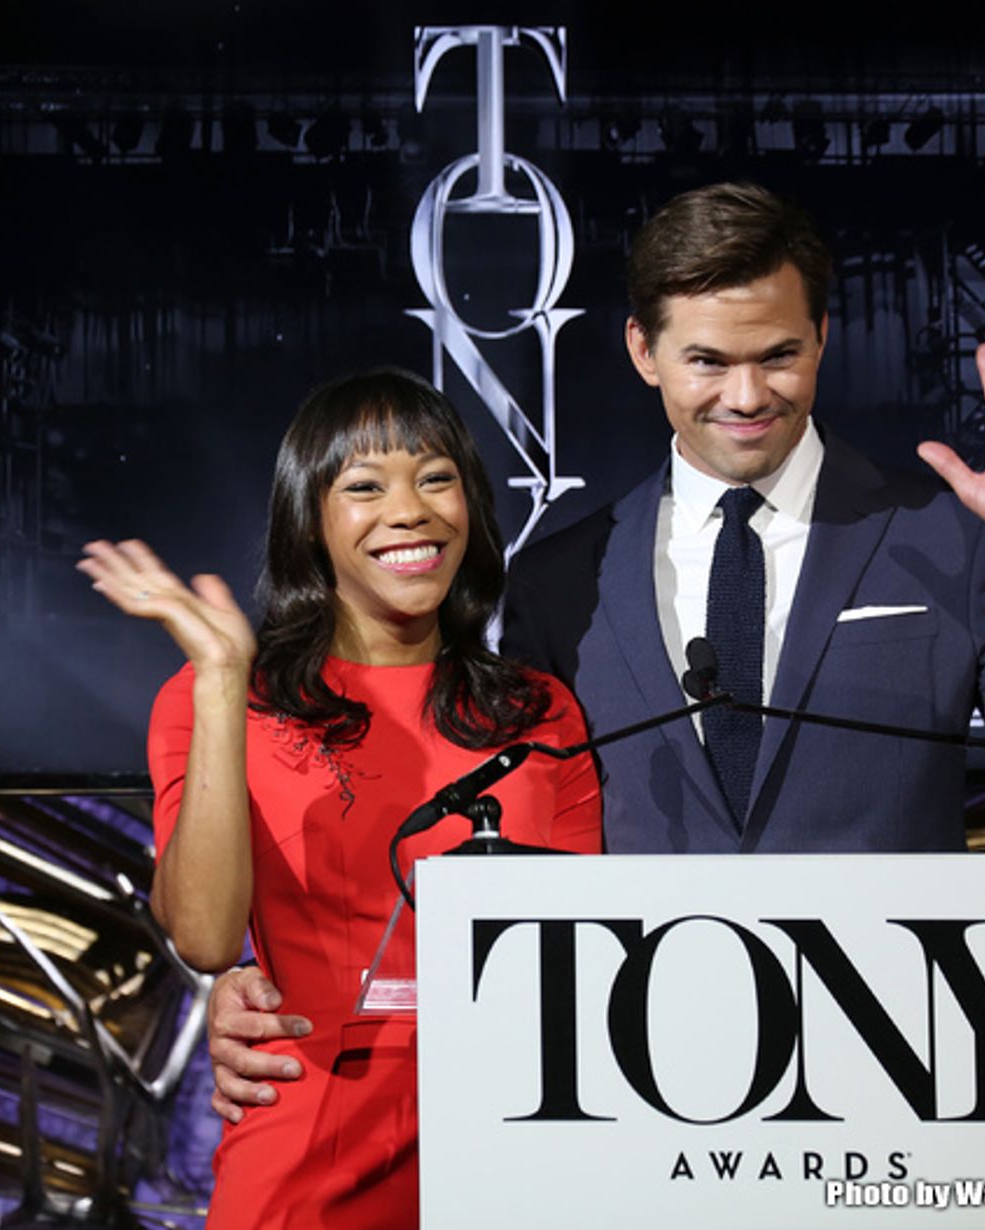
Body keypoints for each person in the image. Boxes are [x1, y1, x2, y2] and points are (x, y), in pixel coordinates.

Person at [204, 182, 985, 1112]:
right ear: (642, 350)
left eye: (779, 355)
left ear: (824, 338)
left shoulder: (942, 540)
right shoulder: (561, 580)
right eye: (708, 360)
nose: (747, 396)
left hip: (901, 1078)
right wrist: (272, 979)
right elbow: (480, 831)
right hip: (637, 1097)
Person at [78, 370, 601, 1229]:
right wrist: (219, 678)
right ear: (309, 524)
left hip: (519, 1146)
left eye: (437, 478)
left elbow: (585, 953)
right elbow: (207, 938)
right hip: (309, 1146)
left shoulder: (537, 711)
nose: (411, 511)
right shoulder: (221, 700)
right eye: (363, 487)